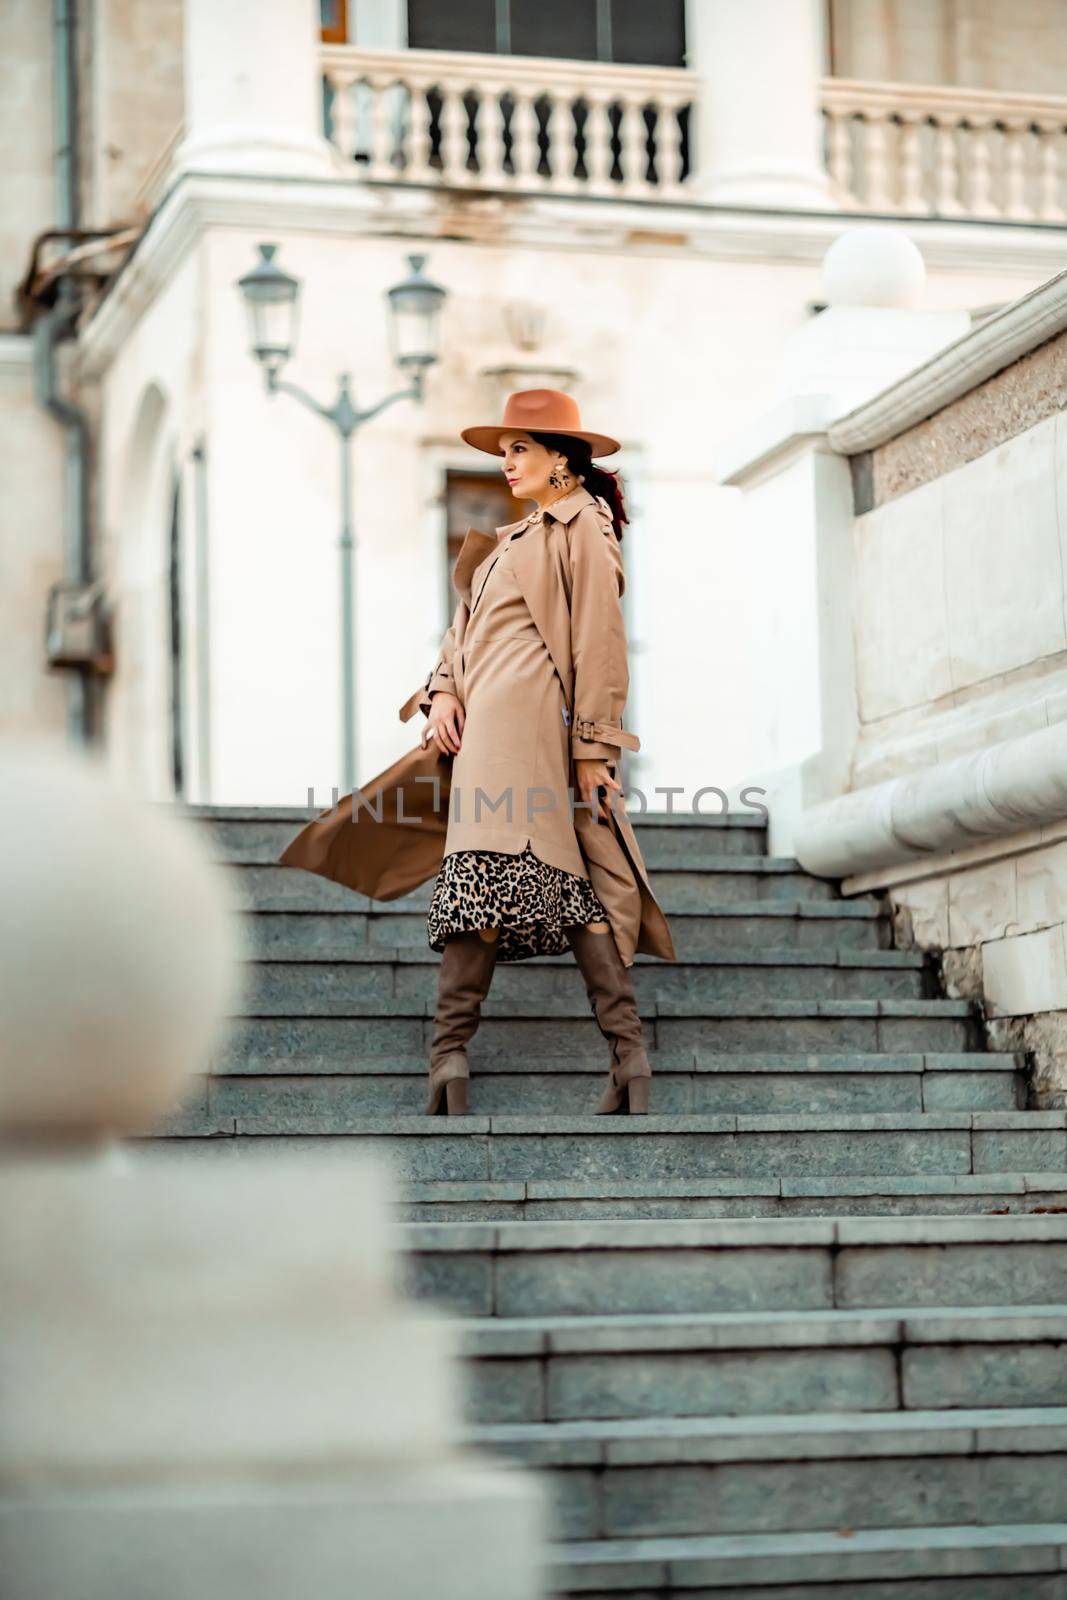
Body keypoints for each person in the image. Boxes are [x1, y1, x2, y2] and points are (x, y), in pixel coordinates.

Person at [420, 388, 674, 1118]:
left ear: (563, 460)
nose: (506, 462)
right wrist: (442, 693)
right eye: (502, 451)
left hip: (530, 728)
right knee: (558, 881)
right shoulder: (510, 541)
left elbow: (599, 640)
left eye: (520, 449)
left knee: (495, 876)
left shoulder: (582, 526)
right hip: (485, 731)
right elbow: (461, 634)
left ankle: (450, 1057)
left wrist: (594, 749)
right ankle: (625, 1058)